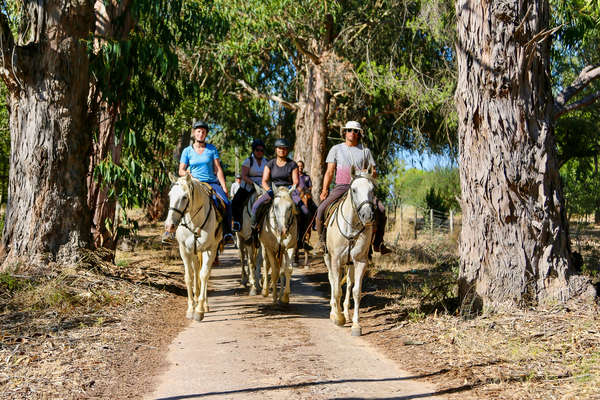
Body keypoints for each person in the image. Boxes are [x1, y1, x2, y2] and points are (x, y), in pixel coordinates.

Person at [313, 121, 391, 255]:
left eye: (355, 131)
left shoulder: (365, 151)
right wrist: (325, 189)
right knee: (320, 209)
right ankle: (321, 243)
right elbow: (330, 171)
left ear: (359, 134)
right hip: (342, 186)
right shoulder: (336, 149)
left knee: (382, 209)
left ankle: (378, 243)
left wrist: (370, 171)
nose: (352, 133)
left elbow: (374, 173)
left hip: (361, 188)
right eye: (349, 130)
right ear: (344, 132)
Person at [179, 120, 233, 243]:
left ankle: (227, 233)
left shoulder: (212, 149)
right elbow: (181, 170)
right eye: (198, 131)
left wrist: (224, 187)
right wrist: (190, 176)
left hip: (211, 183)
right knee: (179, 200)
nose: (201, 134)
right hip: (193, 183)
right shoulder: (187, 151)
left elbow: (218, 169)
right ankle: (171, 231)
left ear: (206, 134)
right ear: (194, 133)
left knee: (226, 203)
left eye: (203, 132)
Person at [250, 138, 299, 236]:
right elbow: (264, 181)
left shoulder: (292, 164)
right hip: (273, 190)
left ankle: (301, 237)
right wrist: (269, 190)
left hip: (288, 191)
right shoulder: (270, 164)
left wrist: (291, 189)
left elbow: (296, 181)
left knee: (304, 210)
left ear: (287, 150)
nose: (282, 150)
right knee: (256, 206)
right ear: (276, 149)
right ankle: (255, 231)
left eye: (284, 148)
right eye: (279, 148)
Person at [231, 139, 268, 232]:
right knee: (235, 202)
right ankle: (237, 222)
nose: (259, 152)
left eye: (262, 150)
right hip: (248, 186)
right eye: (257, 150)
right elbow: (243, 176)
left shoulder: (266, 162)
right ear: (253, 150)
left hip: (263, 186)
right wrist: (253, 183)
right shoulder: (248, 161)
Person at [296, 160, 317, 250]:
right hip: (297, 196)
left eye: (301, 166)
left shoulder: (306, 177)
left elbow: (310, 187)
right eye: (298, 166)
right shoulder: (294, 176)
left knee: (316, 208)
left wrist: (306, 190)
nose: (300, 168)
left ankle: (314, 225)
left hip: (306, 195)